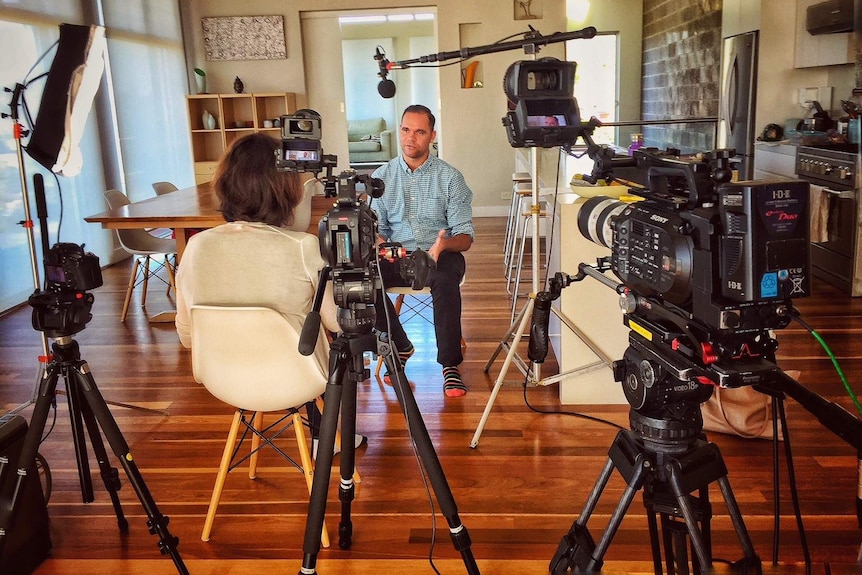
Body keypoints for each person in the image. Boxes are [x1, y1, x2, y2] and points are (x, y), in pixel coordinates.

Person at [175, 133, 364, 454]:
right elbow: (335, 323)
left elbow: (187, 338)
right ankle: (326, 436)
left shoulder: (196, 247)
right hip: (296, 380)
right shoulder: (303, 248)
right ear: (285, 189)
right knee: (331, 338)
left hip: (222, 381)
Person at [370, 105, 474, 397]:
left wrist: (443, 245)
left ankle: (450, 366)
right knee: (363, 279)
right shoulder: (382, 177)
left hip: (441, 253)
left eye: (419, 131)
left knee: (442, 281)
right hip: (396, 254)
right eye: (405, 129)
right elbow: (376, 226)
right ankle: (400, 345)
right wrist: (379, 241)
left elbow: (465, 237)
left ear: (432, 136)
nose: (410, 138)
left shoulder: (451, 178)